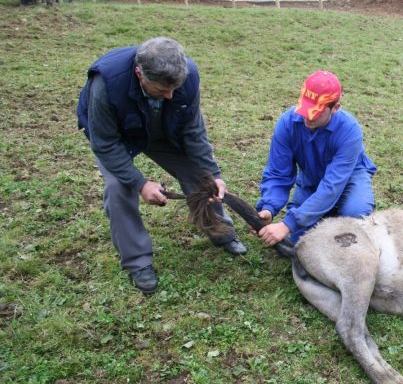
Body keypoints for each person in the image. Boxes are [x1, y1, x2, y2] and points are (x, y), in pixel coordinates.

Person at [76, 37, 246, 295]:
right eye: (162, 90)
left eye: (174, 89)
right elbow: (105, 143)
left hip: (161, 128)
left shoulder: (187, 77)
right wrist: (141, 184)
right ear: (139, 73)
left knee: (200, 175)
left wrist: (212, 173)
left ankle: (221, 232)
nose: (170, 96)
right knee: (118, 188)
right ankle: (138, 261)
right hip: (118, 136)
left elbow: (193, 130)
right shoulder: (107, 83)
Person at [254, 70, 377, 246]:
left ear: (335, 108)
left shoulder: (350, 131)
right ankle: (324, 212)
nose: (307, 116)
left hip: (349, 177)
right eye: (305, 108)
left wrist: (288, 223)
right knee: (298, 240)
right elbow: (278, 172)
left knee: (356, 215)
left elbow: (331, 186)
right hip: (312, 178)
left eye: (316, 112)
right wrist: (268, 208)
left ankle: (335, 211)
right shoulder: (287, 124)